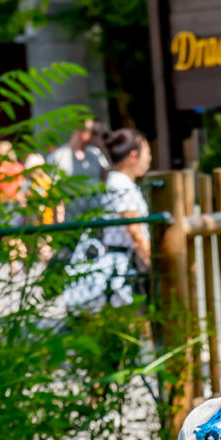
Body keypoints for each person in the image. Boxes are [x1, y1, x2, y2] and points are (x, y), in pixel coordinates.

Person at [62, 126, 152, 312]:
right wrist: (150, 260)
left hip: (125, 261)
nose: (150, 158)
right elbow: (134, 229)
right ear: (133, 156)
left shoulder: (120, 182)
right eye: (147, 153)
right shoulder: (120, 183)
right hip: (124, 264)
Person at [44, 120, 109, 221]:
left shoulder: (95, 153)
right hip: (71, 219)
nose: (97, 137)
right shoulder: (58, 157)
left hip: (98, 217)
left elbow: (107, 178)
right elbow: (54, 192)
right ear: (81, 130)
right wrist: (57, 221)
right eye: (94, 132)